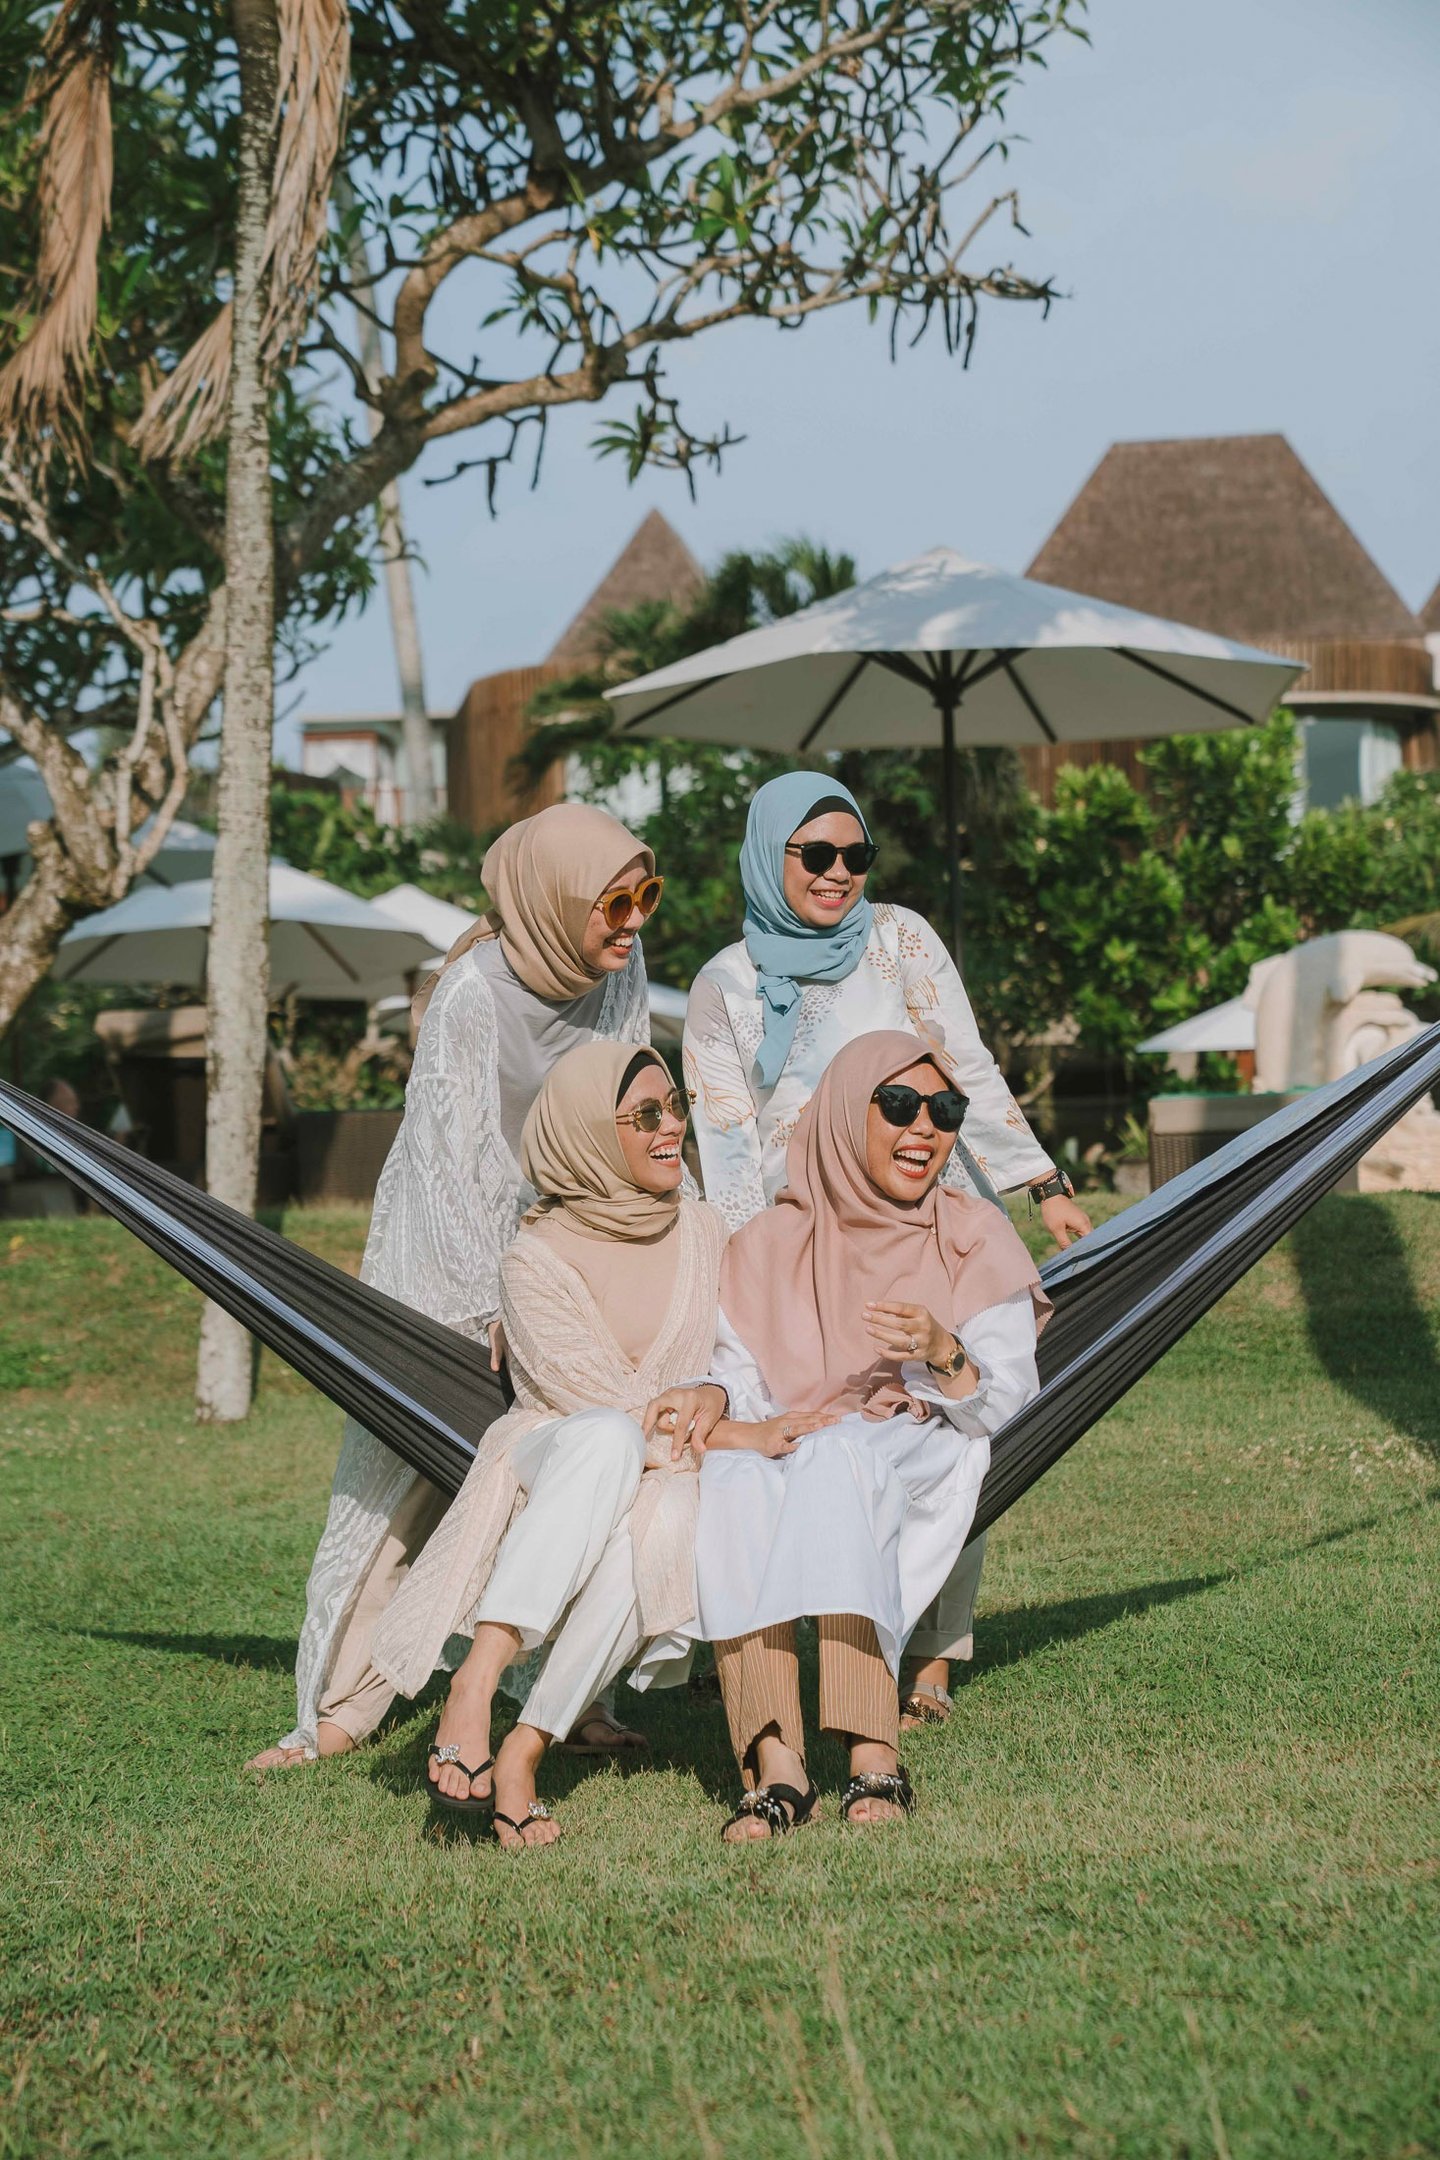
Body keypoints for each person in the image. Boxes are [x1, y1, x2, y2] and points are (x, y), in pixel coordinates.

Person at [246, 804, 664, 1772]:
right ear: (555, 900)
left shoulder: (620, 971)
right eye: (615, 902)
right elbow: (449, 1167)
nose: (634, 921)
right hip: (440, 1266)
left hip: (569, 1248)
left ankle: (573, 1695)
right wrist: (499, 1304)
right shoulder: (474, 993)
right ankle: (337, 1708)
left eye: (646, 898)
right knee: (399, 1478)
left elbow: (621, 1103)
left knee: (581, 1466)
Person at [682, 771, 1087, 1727]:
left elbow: (963, 1065)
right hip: (795, 1233)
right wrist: (763, 1272)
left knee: (949, 1408)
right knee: (796, 1427)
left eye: (854, 855)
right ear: (768, 857)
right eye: (813, 855)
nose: (837, 874)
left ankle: (933, 1652)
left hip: (921, 1207)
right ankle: (766, 1626)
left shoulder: (901, 939)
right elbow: (727, 1141)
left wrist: (1043, 1183)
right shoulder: (725, 984)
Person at [652, 1031, 1048, 1840]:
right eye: (900, 1105)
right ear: (841, 1116)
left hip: (918, 1441)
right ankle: (774, 1759)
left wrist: (943, 1350)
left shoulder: (969, 1235)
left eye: (945, 1111)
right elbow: (742, 1371)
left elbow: (1006, 1399)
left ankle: (874, 1748)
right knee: (734, 1481)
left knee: (839, 1459)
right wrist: (730, 1402)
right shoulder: (769, 1244)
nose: (925, 1129)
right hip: (799, 1434)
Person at [368, 1042, 751, 1847]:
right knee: (609, 1437)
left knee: (665, 1521)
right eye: (646, 1114)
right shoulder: (534, 1258)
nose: (670, 1127)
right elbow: (599, 1404)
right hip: (557, 1454)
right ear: (583, 1131)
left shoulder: (708, 1230)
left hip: (675, 1467)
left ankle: (523, 1747)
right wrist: (717, 1426)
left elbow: (744, 1350)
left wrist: (717, 1394)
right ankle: (477, 1682)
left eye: (675, 1105)